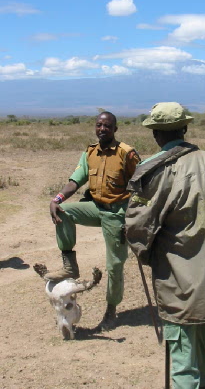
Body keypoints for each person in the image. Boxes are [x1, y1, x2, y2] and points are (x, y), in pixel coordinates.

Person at [125, 102, 205, 389]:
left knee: (181, 355)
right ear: (185, 128)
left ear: (155, 133)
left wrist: (144, 250)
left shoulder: (156, 168)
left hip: (180, 276)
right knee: (203, 338)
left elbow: (138, 224)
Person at [45, 111, 140, 331]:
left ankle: (111, 310)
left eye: (107, 126)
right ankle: (70, 265)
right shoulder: (89, 153)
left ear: (115, 129)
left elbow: (142, 188)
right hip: (96, 208)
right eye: (99, 125)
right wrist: (56, 199)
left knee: (115, 265)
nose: (102, 129)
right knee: (65, 210)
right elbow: (75, 181)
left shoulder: (127, 154)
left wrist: (133, 220)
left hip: (118, 214)